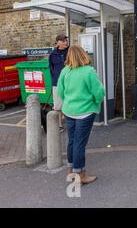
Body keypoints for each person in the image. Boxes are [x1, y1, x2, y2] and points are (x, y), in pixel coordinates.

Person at [57, 45, 105, 185]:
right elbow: (98, 92)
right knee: (79, 143)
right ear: (83, 54)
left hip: (69, 110)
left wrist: (68, 102)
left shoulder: (65, 71)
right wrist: (96, 103)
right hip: (85, 111)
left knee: (72, 141)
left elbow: (61, 90)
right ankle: (80, 175)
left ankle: (71, 171)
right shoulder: (88, 71)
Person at [49, 34, 69, 132]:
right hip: (57, 83)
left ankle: (70, 122)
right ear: (58, 42)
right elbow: (51, 69)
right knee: (57, 106)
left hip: (69, 82)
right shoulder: (52, 54)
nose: (65, 42)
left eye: (66, 40)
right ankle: (59, 125)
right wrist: (55, 80)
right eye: (63, 40)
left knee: (69, 102)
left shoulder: (70, 52)